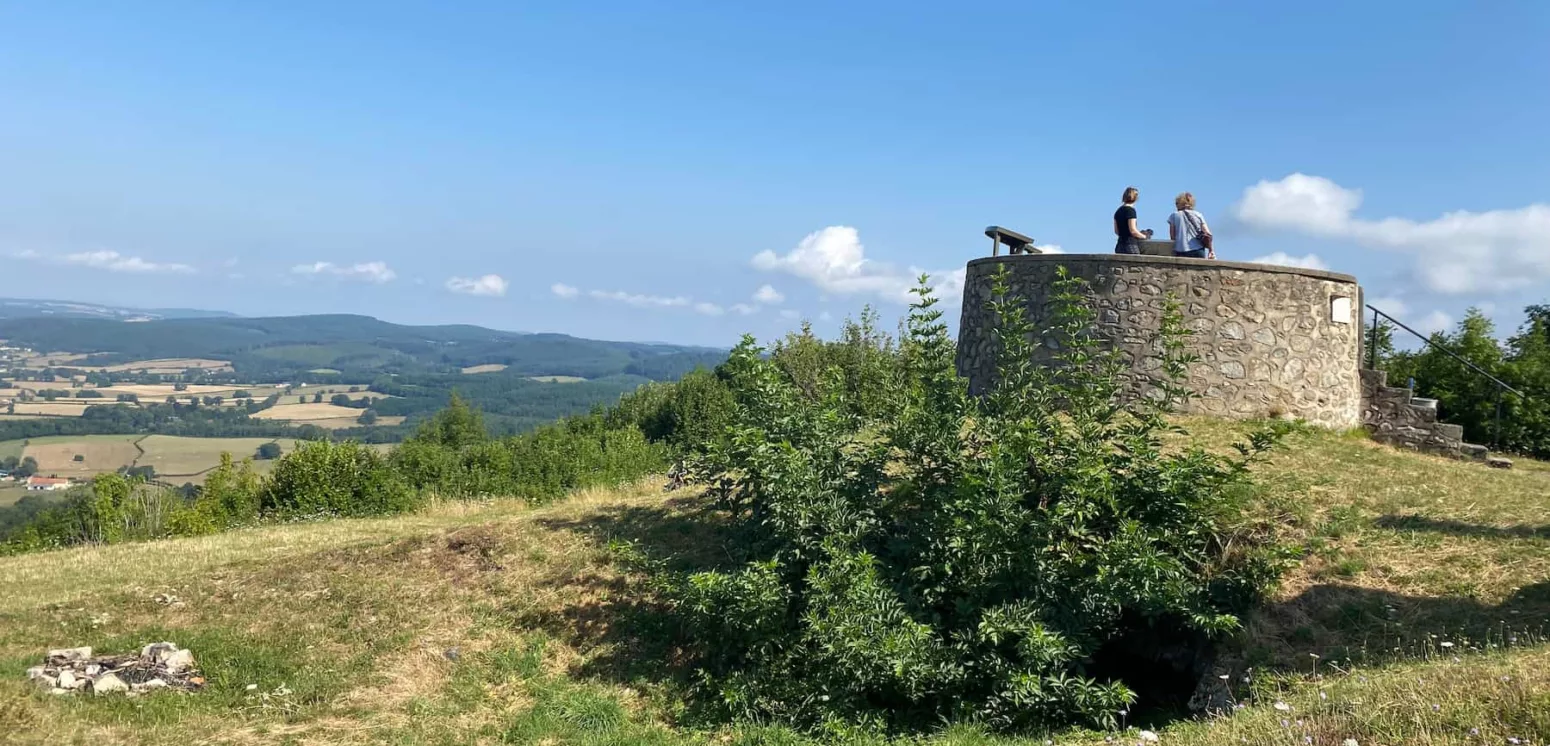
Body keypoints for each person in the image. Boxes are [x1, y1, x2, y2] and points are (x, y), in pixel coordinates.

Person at [1167, 192, 1215, 259]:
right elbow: (1208, 234)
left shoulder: (1174, 216)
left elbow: (1172, 236)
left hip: (1180, 250)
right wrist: (1211, 250)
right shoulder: (1198, 215)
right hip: (1198, 249)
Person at [1113, 186, 1152, 254]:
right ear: (1136, 198)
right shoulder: (1131, 211)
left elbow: (1117, 231)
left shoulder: (1118, 211)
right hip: (1130, 245)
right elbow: (1133, 230)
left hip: (1119, 245)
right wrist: (1144, 236)